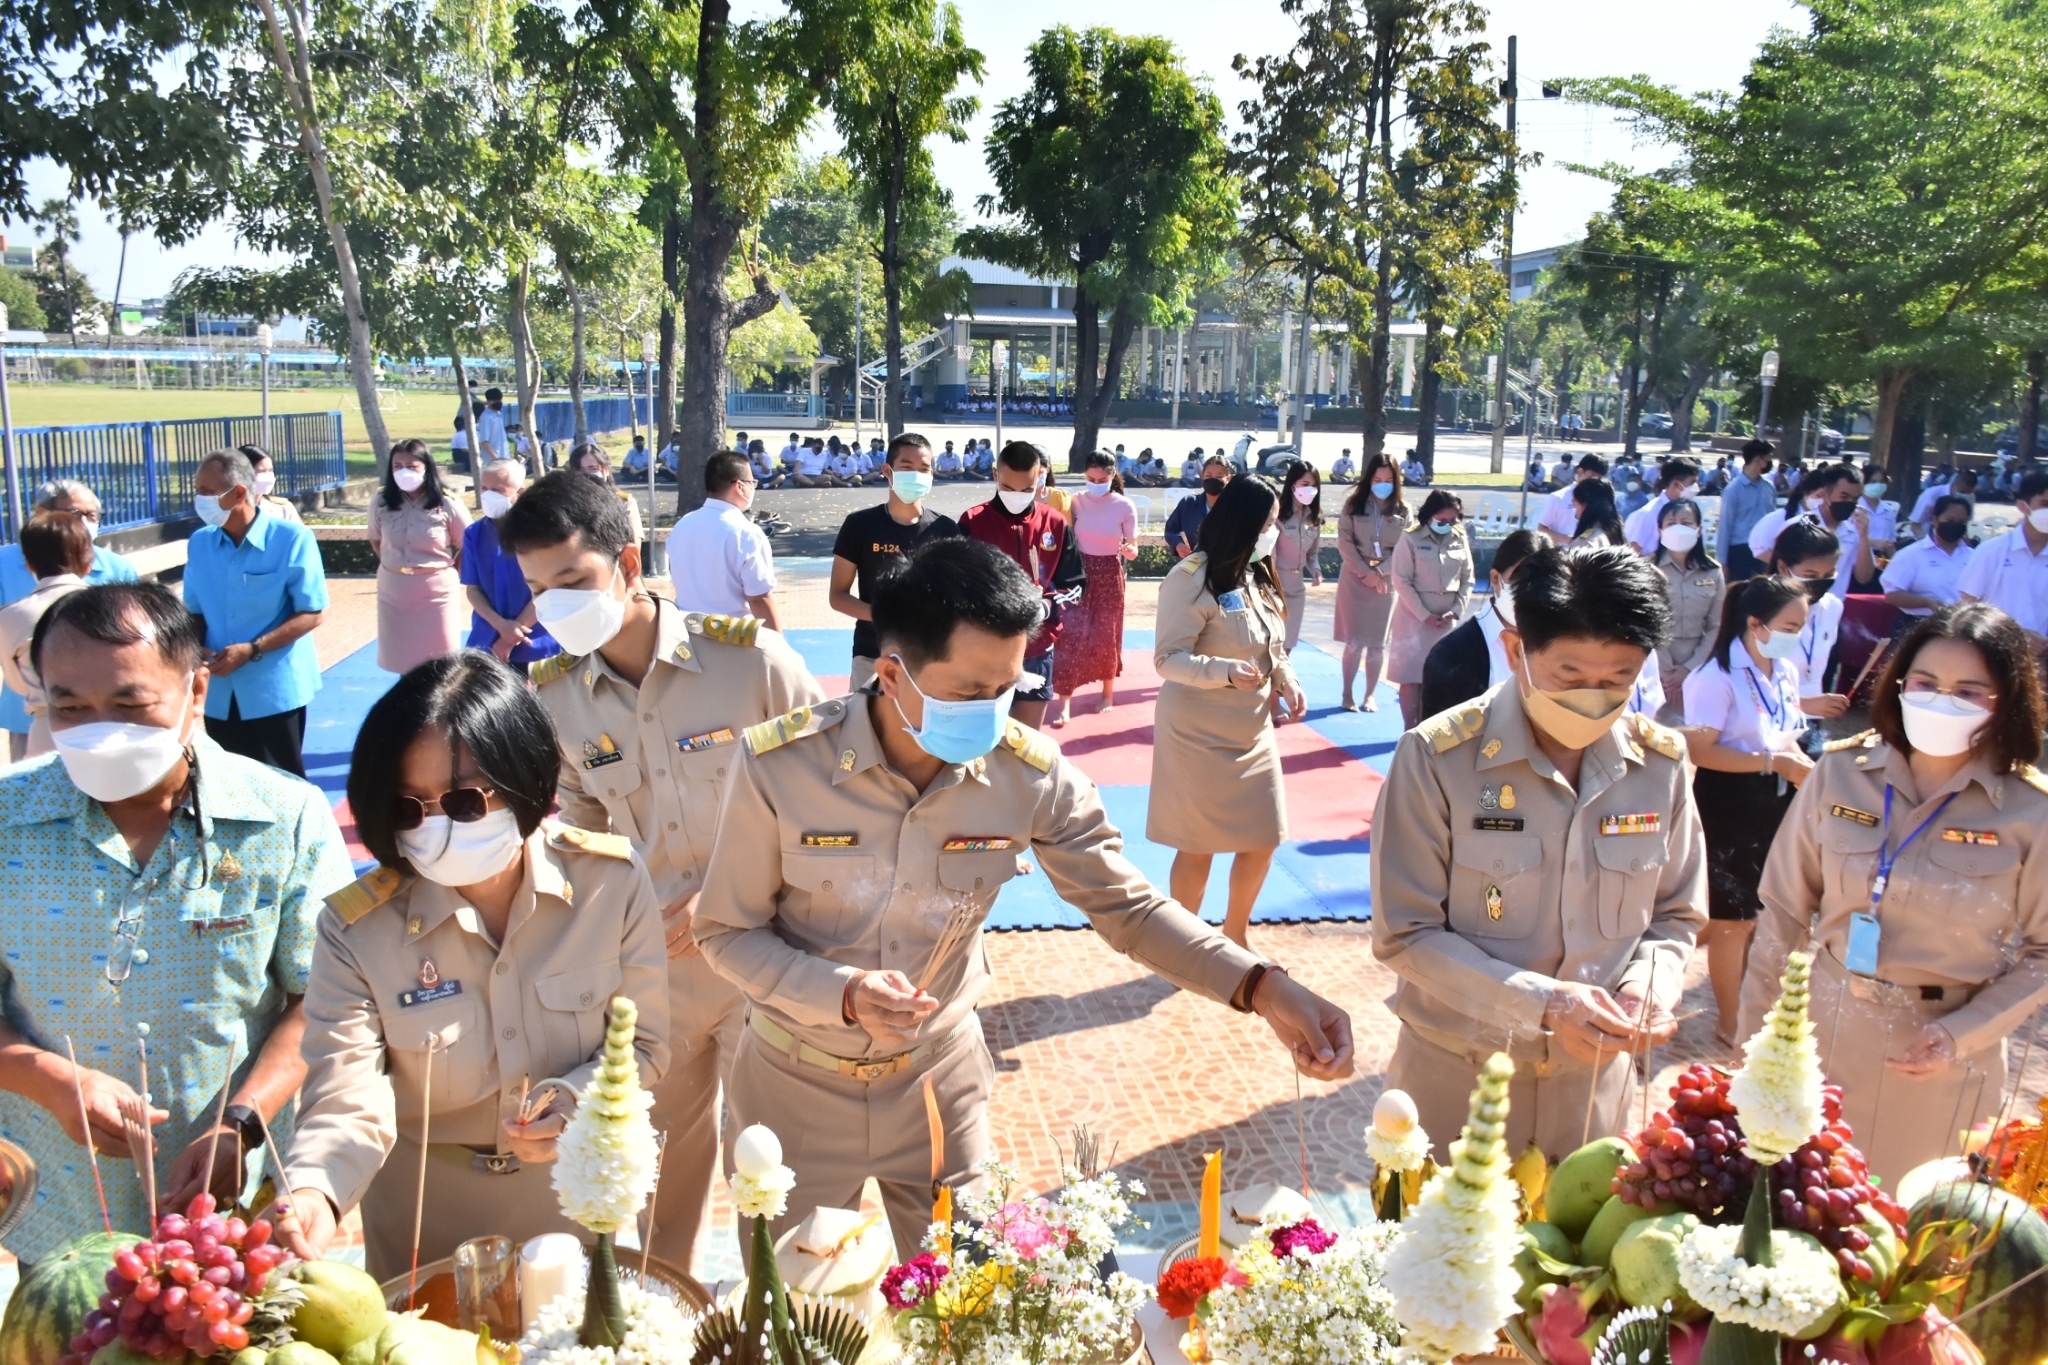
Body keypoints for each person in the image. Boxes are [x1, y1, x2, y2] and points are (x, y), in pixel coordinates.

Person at [693, 537, 1355, 1255]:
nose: (990, 714)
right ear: (891, 674)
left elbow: (1129, 908)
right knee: (798, 1301)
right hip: (795, 1090)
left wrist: (1261, 985)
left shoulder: (1027, 774)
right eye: (967, 693)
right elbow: (726, 931)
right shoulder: (782, 766)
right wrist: (843, 993)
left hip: (937, 1086)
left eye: (1005, 689)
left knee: (971, 1290)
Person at [504, 473, 820, 1272]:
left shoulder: (751, 663)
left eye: (571, 579)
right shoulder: (558, 698)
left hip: (769, 957)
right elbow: (584, 834)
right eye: (538, 590)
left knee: (776, 1162)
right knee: (658, 1170)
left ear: (628, 561)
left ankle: (785, 1311)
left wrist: (730, 895)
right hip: (658, 973)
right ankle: (668, 1308)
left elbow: (827, 802)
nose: (555, 605)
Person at [279, 652, 670, 1277]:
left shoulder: (610, 883)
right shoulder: (358, 929)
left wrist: (577, 1101)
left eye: (463, 802)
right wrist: (314, 1192)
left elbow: (643, 1045)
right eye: (410, 808)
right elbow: (345, 1094)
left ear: (524, 779)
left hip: (567, 1198)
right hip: (420, 1215)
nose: (436, 828)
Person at [0, 584, 352, 1263]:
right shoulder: (5, 820)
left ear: (196, 691)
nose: (101, 729)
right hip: (63, 1211)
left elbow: (326, 998)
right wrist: (52, 1081)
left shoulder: (286, 818)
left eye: (130, 704)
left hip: (236, 1208)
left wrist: (240, 1123)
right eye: (70, 707)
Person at [1371, 545, 1701, 1159]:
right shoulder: (1438, 758)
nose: (1594, 697)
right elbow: (1405, 934)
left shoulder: (1661, 765)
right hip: (1459, 1086)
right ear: (1516, 650)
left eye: (1619, 679)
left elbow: (1675, 914)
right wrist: (1543, 1003)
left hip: (1593, 1093)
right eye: (1570, 677)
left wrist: (1646, 988)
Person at [1739, 604, 2048, 1180]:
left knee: (1916, 1225)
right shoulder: (1841, 772)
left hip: (1942, 1063)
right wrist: (1755, 1042)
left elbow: (2045, 953)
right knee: (1801, 1211)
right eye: (1925, 683)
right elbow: (1783, 912)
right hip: (1819, 1042)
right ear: (1900, 684)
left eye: (1968, 691)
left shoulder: (2031, 809)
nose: (1940, 701)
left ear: (2005, 700)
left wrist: (1959, 1036)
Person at [1150, 478, 1305, 948]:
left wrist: (1287, 679)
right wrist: (1223, 671)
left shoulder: (1256, 574)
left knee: (1264, 837)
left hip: (1253, 731)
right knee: (1197, 847)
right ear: (1244, 523)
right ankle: (1185, 947)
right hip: (1197, 733)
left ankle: (1235, 936)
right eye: (1269, 522)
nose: (1275, 532)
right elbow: (1167, 660)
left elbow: (1270, 646)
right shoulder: (1190, 578)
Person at [1681, 575, 1820, 1042]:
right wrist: (1771, 762)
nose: (1797, 636)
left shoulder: (1785, 672)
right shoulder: (1714, 678)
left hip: (1776, 801)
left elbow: (1787, 732)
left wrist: (1801, 768)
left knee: (1759, 916)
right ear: (1756, 624)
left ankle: (1741, 1001)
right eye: (1790, 626)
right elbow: (1701, 751)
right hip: (1729, 804)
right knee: (1733, 924)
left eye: (1801, 626)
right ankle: (1730, 1022)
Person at [184, 448, 328, 777]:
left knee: (283, 782)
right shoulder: (200, 543)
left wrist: (252, 649)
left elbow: (312, 613)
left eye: (206, 491)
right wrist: (194, 648)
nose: (199, 499)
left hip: (274, 690)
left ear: (238, 494)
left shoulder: (292, 539)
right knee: (231, 782)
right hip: (220, 690)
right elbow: (194, 611)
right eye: (197, 490)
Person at [0, 480, 140, 760]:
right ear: (42, 513)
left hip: (57, 715)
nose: (84, 523)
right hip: (34, 719)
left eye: (91, 515)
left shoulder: (118, 567)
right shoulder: (4, 564)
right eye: (75, 514)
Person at [959, 443, 1083, 729]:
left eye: (1026, 489)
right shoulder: (972, 522)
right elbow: (958, 587)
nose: (1016, 496)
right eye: (1007, 487)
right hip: (986, 651)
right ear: (995, 475)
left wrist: (1046, 607)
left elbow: (1075, 585)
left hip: (1037, 650)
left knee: (1026, 743)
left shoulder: (1055, 523)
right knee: (984, 742)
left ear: (1040, 476)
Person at [830, 436, 963, 688]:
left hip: (929, 658)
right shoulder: (859, 525)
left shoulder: (946, 529)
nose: (916, 475)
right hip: (871, 654)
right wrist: (884, 616)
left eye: (923, 469)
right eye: (906, 467)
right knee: (864, 715)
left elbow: (957, 598)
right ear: (887, 471)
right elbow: (838, 596)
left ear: (932, 474)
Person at [1049, 452, 1138, 728]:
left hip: (1110, 572)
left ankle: (1107, 692)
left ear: (1112, 476)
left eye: (1102, 480)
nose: (1096, 484)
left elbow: (1133, 546)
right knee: (1070, 634)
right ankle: (1064, 701)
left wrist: (1129, 550)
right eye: (1091, 479)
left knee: (1107, 633)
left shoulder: (1124, 505)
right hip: (1079, 572)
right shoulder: (1076, 501)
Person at [1418, 529, 1543, 718]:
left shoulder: (1564, 644)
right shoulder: (1453, 655)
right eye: (1520, 578)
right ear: (1495, 578)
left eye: (1543, 580)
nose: (1531, 590)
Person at [369, 440, 470, 675]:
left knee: (441, 664)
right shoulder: (381, 501)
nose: (403, 471)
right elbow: (376, 540)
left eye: (411, 466)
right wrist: (395, 564)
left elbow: (468, 543)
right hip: (394, 592)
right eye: (397, 466)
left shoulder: (447, 502)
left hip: (436, 594)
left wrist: (450, 572)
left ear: (426, 467)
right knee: (403, 662)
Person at [0, 512, 93, 758]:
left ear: (29, 564)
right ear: (88, 560)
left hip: (48, 731)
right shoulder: (118, 607)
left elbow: (17, 683)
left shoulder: (10, 617)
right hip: (111, 725)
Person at [1389, 489, 1475, 727]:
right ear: (1429, 515)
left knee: (1440, 679)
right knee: (1411, 678)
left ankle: (1430, 730)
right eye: (1441, 520)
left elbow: (1468, 579)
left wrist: (1456, 610)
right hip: (1413, 619)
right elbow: (1401, 580)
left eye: (1452, 521)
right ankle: (1410, 730)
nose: (1447, 525)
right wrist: (1424, 615)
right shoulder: (1411, 538)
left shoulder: (1459, 537)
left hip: (1446, 622)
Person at [667, 452, 782, 628]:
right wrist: (777, 640)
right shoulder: (746, 533)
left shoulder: (682, 525)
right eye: (752, 482)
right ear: (739, 486)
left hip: (686, 631)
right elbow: (759, 597)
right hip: (732, 635)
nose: (753, 488)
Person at [460, 461, 557, 665]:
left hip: (536, 640)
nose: (488, 495)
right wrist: (501, 626)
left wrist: (513, 634)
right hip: (489, 641)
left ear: (520, 492)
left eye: (497, 490)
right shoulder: (474, 533)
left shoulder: (541, 533)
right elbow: (473, 589)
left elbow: (549, 589)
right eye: (484, 488)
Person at [1334, 454, 1409, 712]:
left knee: (1377, 644)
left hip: (1385, 581)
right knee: (1354, 642)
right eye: (1377, 480)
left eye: (1388, 480)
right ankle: (1347, 694)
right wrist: (1365, 572)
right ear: (1369, 479)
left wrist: (1379, 572)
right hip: (1355, 578)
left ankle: (1369, 695)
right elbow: (1344, 541)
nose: (1382, 485)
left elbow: (1404, 547)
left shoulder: (1403, 510)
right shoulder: (1354, 505)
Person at [1648, 498, 1724, 725]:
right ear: (1660, 530)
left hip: (1700, 666)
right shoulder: (1646, 568)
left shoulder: (1713, 571)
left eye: (1686, 522)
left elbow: (1716, 625)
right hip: (1656, 664)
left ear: (1699, 530)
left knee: (1697, 729)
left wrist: (1689, 668)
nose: (1679, 528)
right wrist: (1665, 671)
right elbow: (1644, 623)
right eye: (1671, 523)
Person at [1957, 470, 2048, 651]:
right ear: (2022, 506)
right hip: (1995, 653)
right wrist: (2015, 634)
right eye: (2044, 504)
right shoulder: (1991, 551)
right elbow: (1966, 608)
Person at [1767, 519, 1850, 716]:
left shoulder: (1832, 607)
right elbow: (1743, 681)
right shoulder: (1759, 607)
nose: (1820, 582)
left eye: (1829, 574)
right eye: (1810, 575)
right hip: (1763, 720)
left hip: (1808, 720)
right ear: (1783, 567)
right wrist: (1802, 704)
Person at [1882, 494, 1975, 617]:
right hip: (1920, 622)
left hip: (1962, 622)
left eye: (1961, 522)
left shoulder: (1974, 557)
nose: (1956, 525)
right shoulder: (1910, 555)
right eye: (1950, 520)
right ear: (1934, 520)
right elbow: (1892, 595)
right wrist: (1926, 602)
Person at [1274, 462, 1324, 652]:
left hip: (1297, 588)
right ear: (1292, 484)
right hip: (1276, 586)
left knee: (1289, 643)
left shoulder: (1314, 517)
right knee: (1272, 641)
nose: (1310, 489)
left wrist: (1316, 570)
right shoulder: (1278, 514)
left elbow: (1312, 553)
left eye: (1314, 485)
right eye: (1305, 484)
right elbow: (1269, 554)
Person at [1715, 439, 1778, 579]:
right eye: (1768, 458)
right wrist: (1722, 562)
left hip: (1765, 551)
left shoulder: (1769, 487)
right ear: (1758, 460)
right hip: (1741, 552)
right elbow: (1725, 526)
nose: (1770, 462)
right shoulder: (1733, 490)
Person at [568, 442, 645, 546]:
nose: (587, 475)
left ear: (606, 470)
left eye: (593, 468)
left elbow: (634, 546)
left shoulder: (625, 502)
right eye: (581, 470)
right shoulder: (567, 505)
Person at [1623, 457, 1701, 555]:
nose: (1696, 488)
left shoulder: (1689, 510)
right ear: (1676, 484)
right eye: (1692, 483)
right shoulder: (1649, 514)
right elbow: (1632, 552)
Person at [1165, 458, 1230, 558]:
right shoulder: (1188, 503)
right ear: (1202, 476)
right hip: (1194, 563)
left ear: (1228, 478)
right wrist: (1178, 544)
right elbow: (1170, 530)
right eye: (1208, 475)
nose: (1213, 479)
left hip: (1226, 563)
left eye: (1219, 476)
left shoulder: (1236, 507)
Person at [1538, 455, 1608, 546]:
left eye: (1599, 478)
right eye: (1592, 476)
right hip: (1561, 551)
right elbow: (1542, 529)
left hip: (1589, 551)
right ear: (1581, 471)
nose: (1595, 482)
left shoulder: (1602, 499)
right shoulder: (1558, 497)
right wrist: (1567, 539)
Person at [241, 445, 304, 524]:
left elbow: (298, 531)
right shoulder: (228, 510)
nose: (268, 476)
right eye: (262, 471)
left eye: (270, 470)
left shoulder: (283, 509)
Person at [1909, 467, 1977, 538]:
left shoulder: (1970, 497)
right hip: (1923, 536)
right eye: (1962, 492)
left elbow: (1965, 523)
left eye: (1969, 492)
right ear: (1955, 483)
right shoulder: (1931, 494)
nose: (1965, 495)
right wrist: (1926, 541)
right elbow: (1915, 525)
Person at [1570, 478, 1625, 548]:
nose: (1575, 511)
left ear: (1584, 505)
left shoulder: (1584, 543)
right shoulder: (1615, 532)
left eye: (1574, 504)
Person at [1857, 462, 1898, 554]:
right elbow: (1848, 540)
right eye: (1873, 482)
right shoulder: (1854, 509)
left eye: (1881, 482)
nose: (1878, 485)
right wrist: (1874, 543)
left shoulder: (1889, 510)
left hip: (1881, 558)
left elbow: (1891, 542)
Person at [475, 387, 509, 465]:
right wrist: (496, 459)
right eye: (495, 400)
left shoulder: (499, 415)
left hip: (504, 457)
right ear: (488, 401)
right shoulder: (486, 417)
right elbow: (484, 441)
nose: (498, 402)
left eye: (499, 400)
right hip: (493, 461)